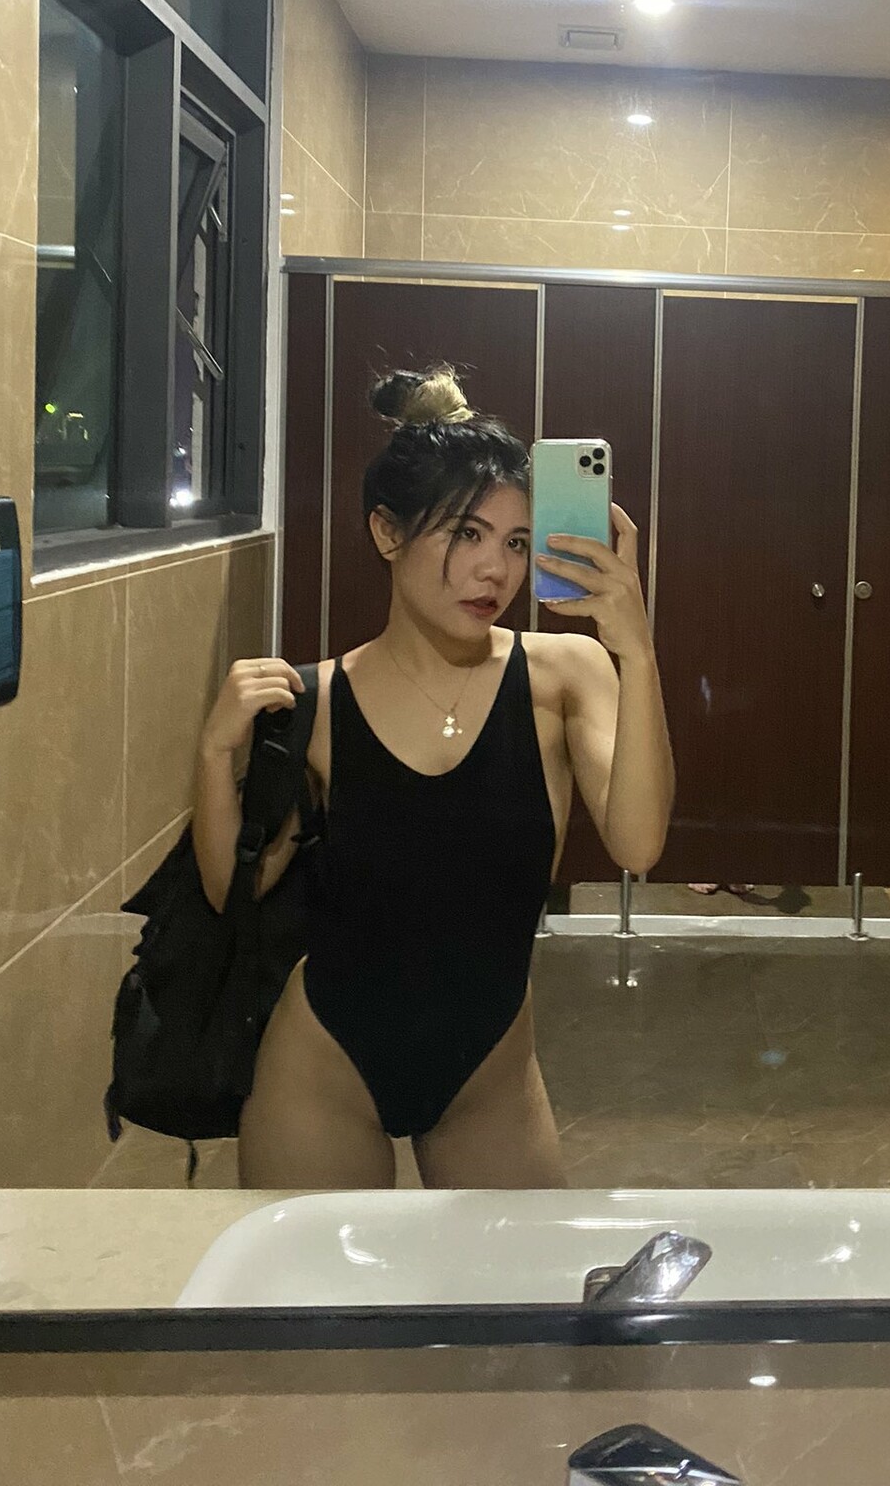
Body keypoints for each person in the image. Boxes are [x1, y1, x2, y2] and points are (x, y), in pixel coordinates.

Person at [193, 365, 675, 1190]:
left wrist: (637, 650)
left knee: (521, 1277)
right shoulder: (317, 700)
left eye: (515, 542)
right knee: (314, 1283)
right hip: (324, 1069)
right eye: (466, 534)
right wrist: (211, 757)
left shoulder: (566, 674)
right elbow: (233, 887)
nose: (495, 571)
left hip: (489, 1076)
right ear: (388, 533)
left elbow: (639, 844)